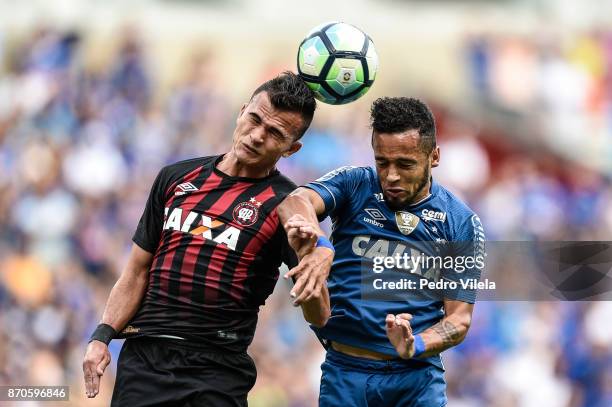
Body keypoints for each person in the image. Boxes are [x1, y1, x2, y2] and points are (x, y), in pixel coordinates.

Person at [82, 72, 330, 407]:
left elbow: (319, 315)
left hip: (217, 370)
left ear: (291, 148)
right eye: (255, 119)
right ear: (241, 111)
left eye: (274, 133)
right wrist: (102, 335)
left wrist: (308, 259)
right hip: (145, 362)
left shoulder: (287, 205)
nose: (257, 136)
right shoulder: (176, 177)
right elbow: (137, 272)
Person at [277, 97, 485, 406]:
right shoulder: (355, 184)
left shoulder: (460, 221)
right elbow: (294, 202)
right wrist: (321, 244)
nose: (391, 176)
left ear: (434, 157)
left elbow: (458, 321)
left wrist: (415, 344)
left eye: (405, 164)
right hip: (346, 374)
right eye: (382, 162)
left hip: (416, 381)